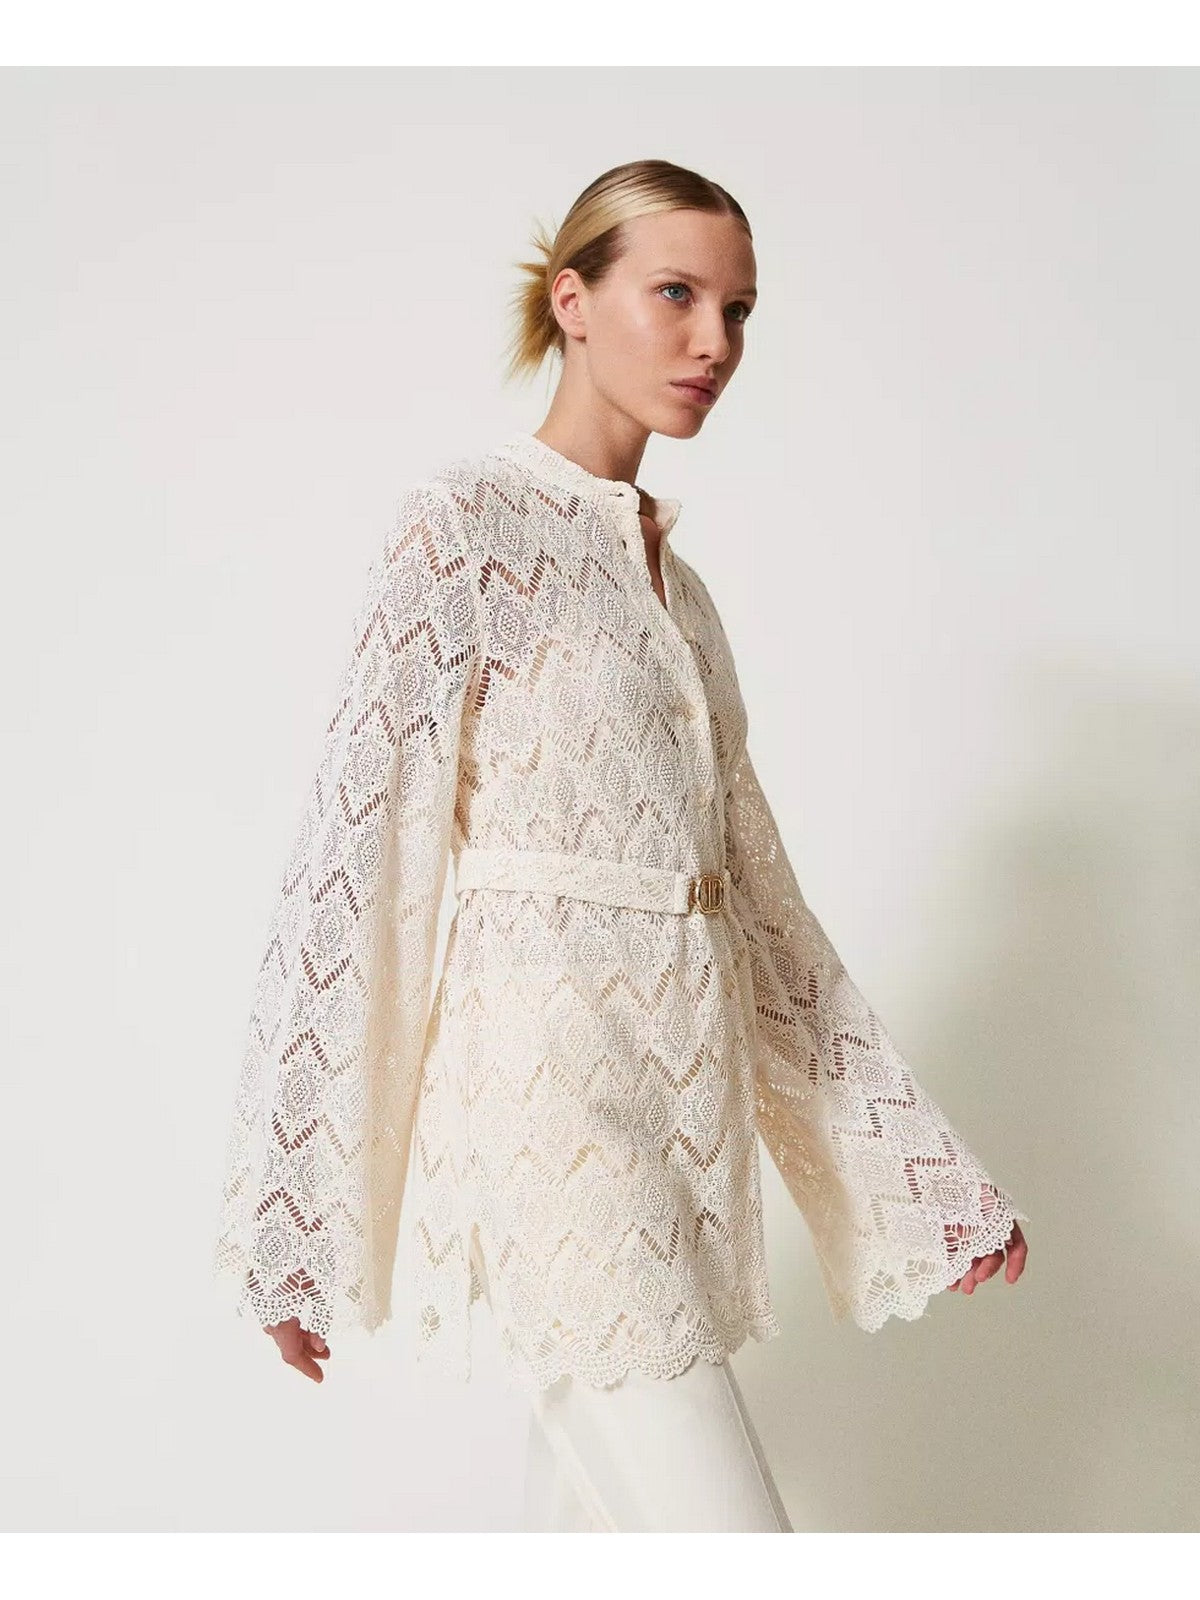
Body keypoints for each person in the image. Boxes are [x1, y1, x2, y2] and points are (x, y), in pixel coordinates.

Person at [212, 157, 1030, 1532]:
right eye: (676, 294)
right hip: (545, 1113)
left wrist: (918, 1177)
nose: (715, 341)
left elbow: (761, 910)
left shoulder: (683, 596)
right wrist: (295, 1211)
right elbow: (356, 860)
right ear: (571, 300)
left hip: (682, 1115)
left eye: (739, 309)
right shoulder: (465, 527)